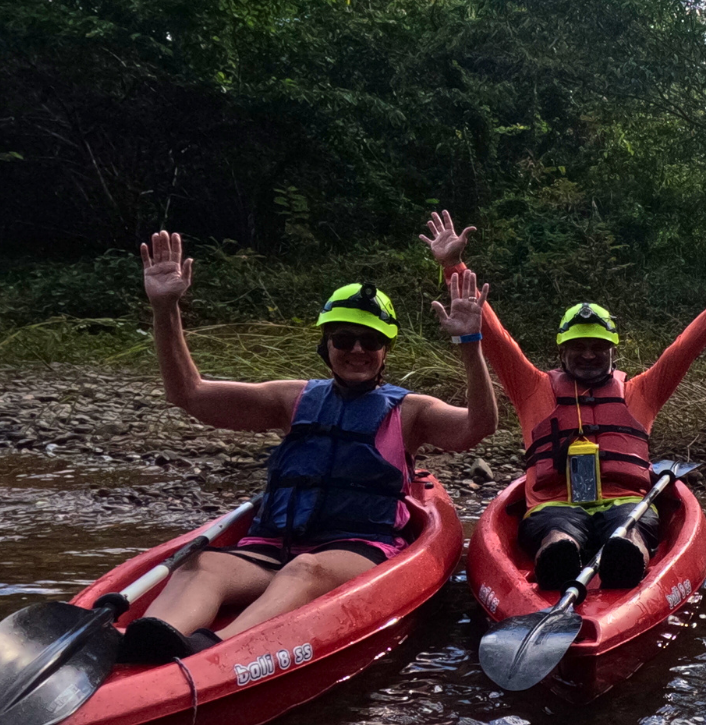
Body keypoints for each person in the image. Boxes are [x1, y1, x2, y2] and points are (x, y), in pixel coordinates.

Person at [117, 226, 499, 663]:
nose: (357, 349)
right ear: (326, 345)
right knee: (200, 565)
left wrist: (470, 343)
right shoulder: (290, 399)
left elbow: (479, 426)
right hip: (270, 549)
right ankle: (144, 648)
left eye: (371, 341)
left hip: (355, 551)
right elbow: (189, 394)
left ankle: (213, 654)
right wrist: (166, 310)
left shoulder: (411, 412)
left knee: (305, 570)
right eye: (343, 339)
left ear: (386, 349)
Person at [423, 211, 706, 592]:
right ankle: (558, 561)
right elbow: (493, 334)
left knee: (627, 534)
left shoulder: (641, 391)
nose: (589, 355)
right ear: (562, 352)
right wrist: (451, 264)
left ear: (613, 352)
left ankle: (625, 562)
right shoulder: (533, 387)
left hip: (625, 503)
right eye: (579, 347)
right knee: (559, 535)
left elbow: (687, 347)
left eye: (598, 348)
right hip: (553, 507)